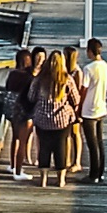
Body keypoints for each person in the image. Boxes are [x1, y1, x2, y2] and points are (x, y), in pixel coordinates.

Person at [28, 53, 77, 188]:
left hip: (42, 120)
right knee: (60, 148)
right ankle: (60, 180)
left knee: (44, 148)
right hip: (62, 120)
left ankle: (43, 179)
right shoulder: (67, 79)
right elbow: (76, 99)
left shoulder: (39, 80)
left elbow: (31, 97)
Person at [78, 37, 107, 183]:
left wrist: (79, 107)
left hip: (89, 109)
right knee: (99, 141)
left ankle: (93, 175)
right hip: (101, 107)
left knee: (91, 144)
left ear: (90, 51)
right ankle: (101, 172)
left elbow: (83, 89)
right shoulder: (106, 66)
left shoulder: (88, 69)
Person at [2, 48, 37, 180]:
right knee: (23, 141)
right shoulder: (29, 77)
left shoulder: (12, 74)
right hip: (24, 111)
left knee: (15, 139)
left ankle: (12, 165)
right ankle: (18, 171)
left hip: (11, 109)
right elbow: (32, 96)